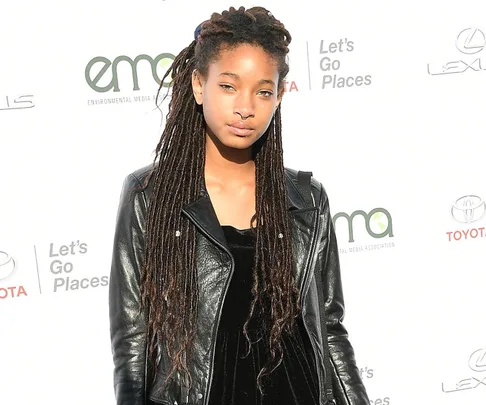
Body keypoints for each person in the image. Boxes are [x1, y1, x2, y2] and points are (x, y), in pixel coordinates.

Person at [109, 5, 370, 405]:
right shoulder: (150, 194)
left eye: (263, 91)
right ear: (199, 84)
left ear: (280, 95)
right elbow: (133, 337)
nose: (245, 107)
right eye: (229, 86)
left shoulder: (306, 200)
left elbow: (330, 328)